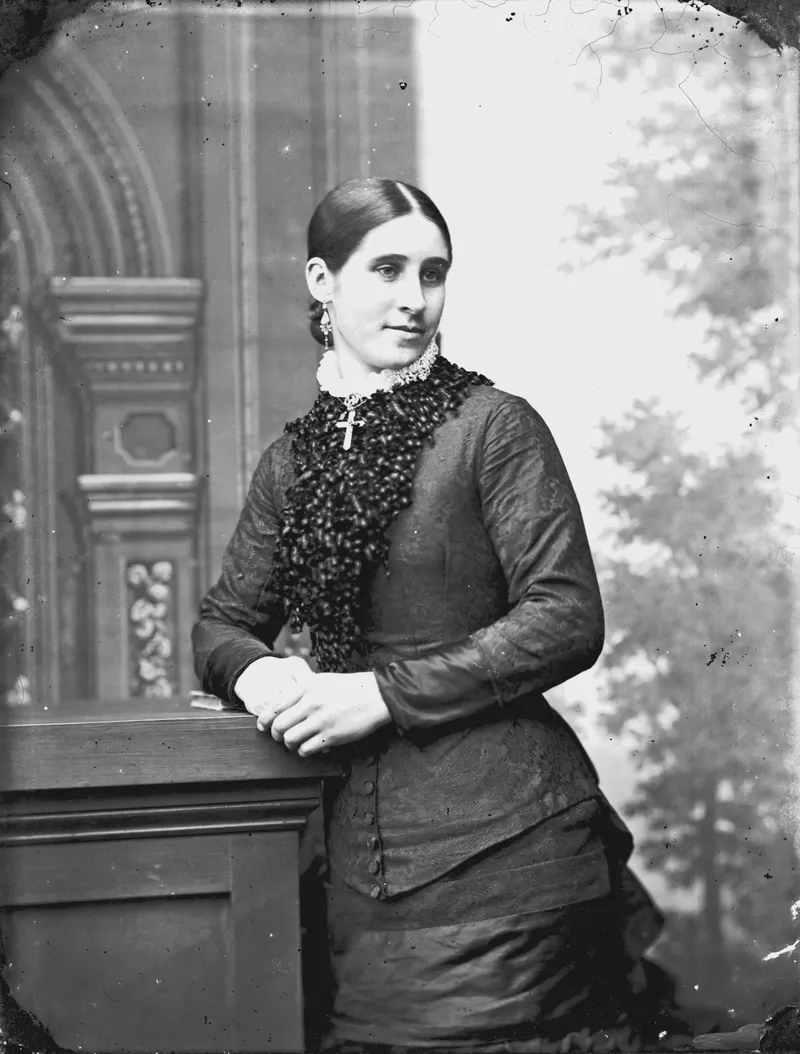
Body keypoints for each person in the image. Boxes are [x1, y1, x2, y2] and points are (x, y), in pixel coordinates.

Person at [192, 177, 691, 1053]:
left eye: (433, 273)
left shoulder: (495, 427)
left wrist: (380, 694)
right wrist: (261, 672)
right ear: (321, 281)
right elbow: (220, 625)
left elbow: (567, 616)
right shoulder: (290, 462)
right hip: (359, 868)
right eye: (387, 269)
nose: (414, 298)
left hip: (513, 853)